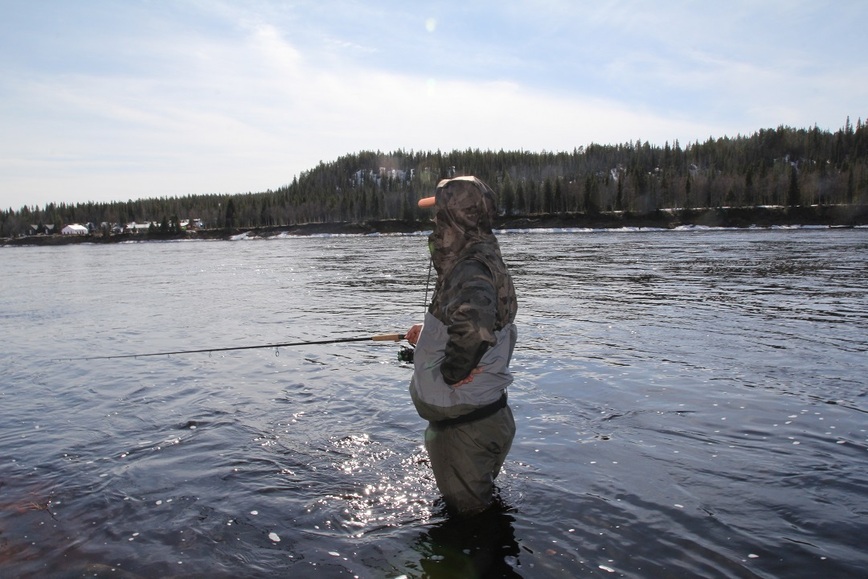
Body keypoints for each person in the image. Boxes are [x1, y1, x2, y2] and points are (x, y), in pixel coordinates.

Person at [406, 175, 518, 516]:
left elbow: (474, 329)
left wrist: (453, 374)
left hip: (465, 433)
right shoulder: (478, 255)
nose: (434, 223)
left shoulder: (470, 268)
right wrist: (427, 334)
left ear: (454, 217)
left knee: (471, 531)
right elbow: (469, 319)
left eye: (439, 214)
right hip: (480, 418)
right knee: (482, 517)